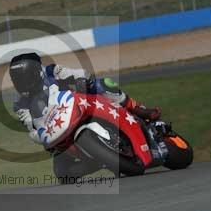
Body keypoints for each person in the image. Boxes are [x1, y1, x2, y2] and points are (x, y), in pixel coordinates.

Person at [9, 52, 161, 177]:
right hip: (58, 131)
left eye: (26, 77)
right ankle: (98, 160)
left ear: (37, 72)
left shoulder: (52, 71)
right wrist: (39, 135)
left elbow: (79, 73)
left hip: (79, 104)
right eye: (17, 79)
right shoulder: (19, 104)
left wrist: (81, 81)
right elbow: (31, 125)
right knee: (63, 175)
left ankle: (138, 108)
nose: (22, 82)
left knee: (104, 83)